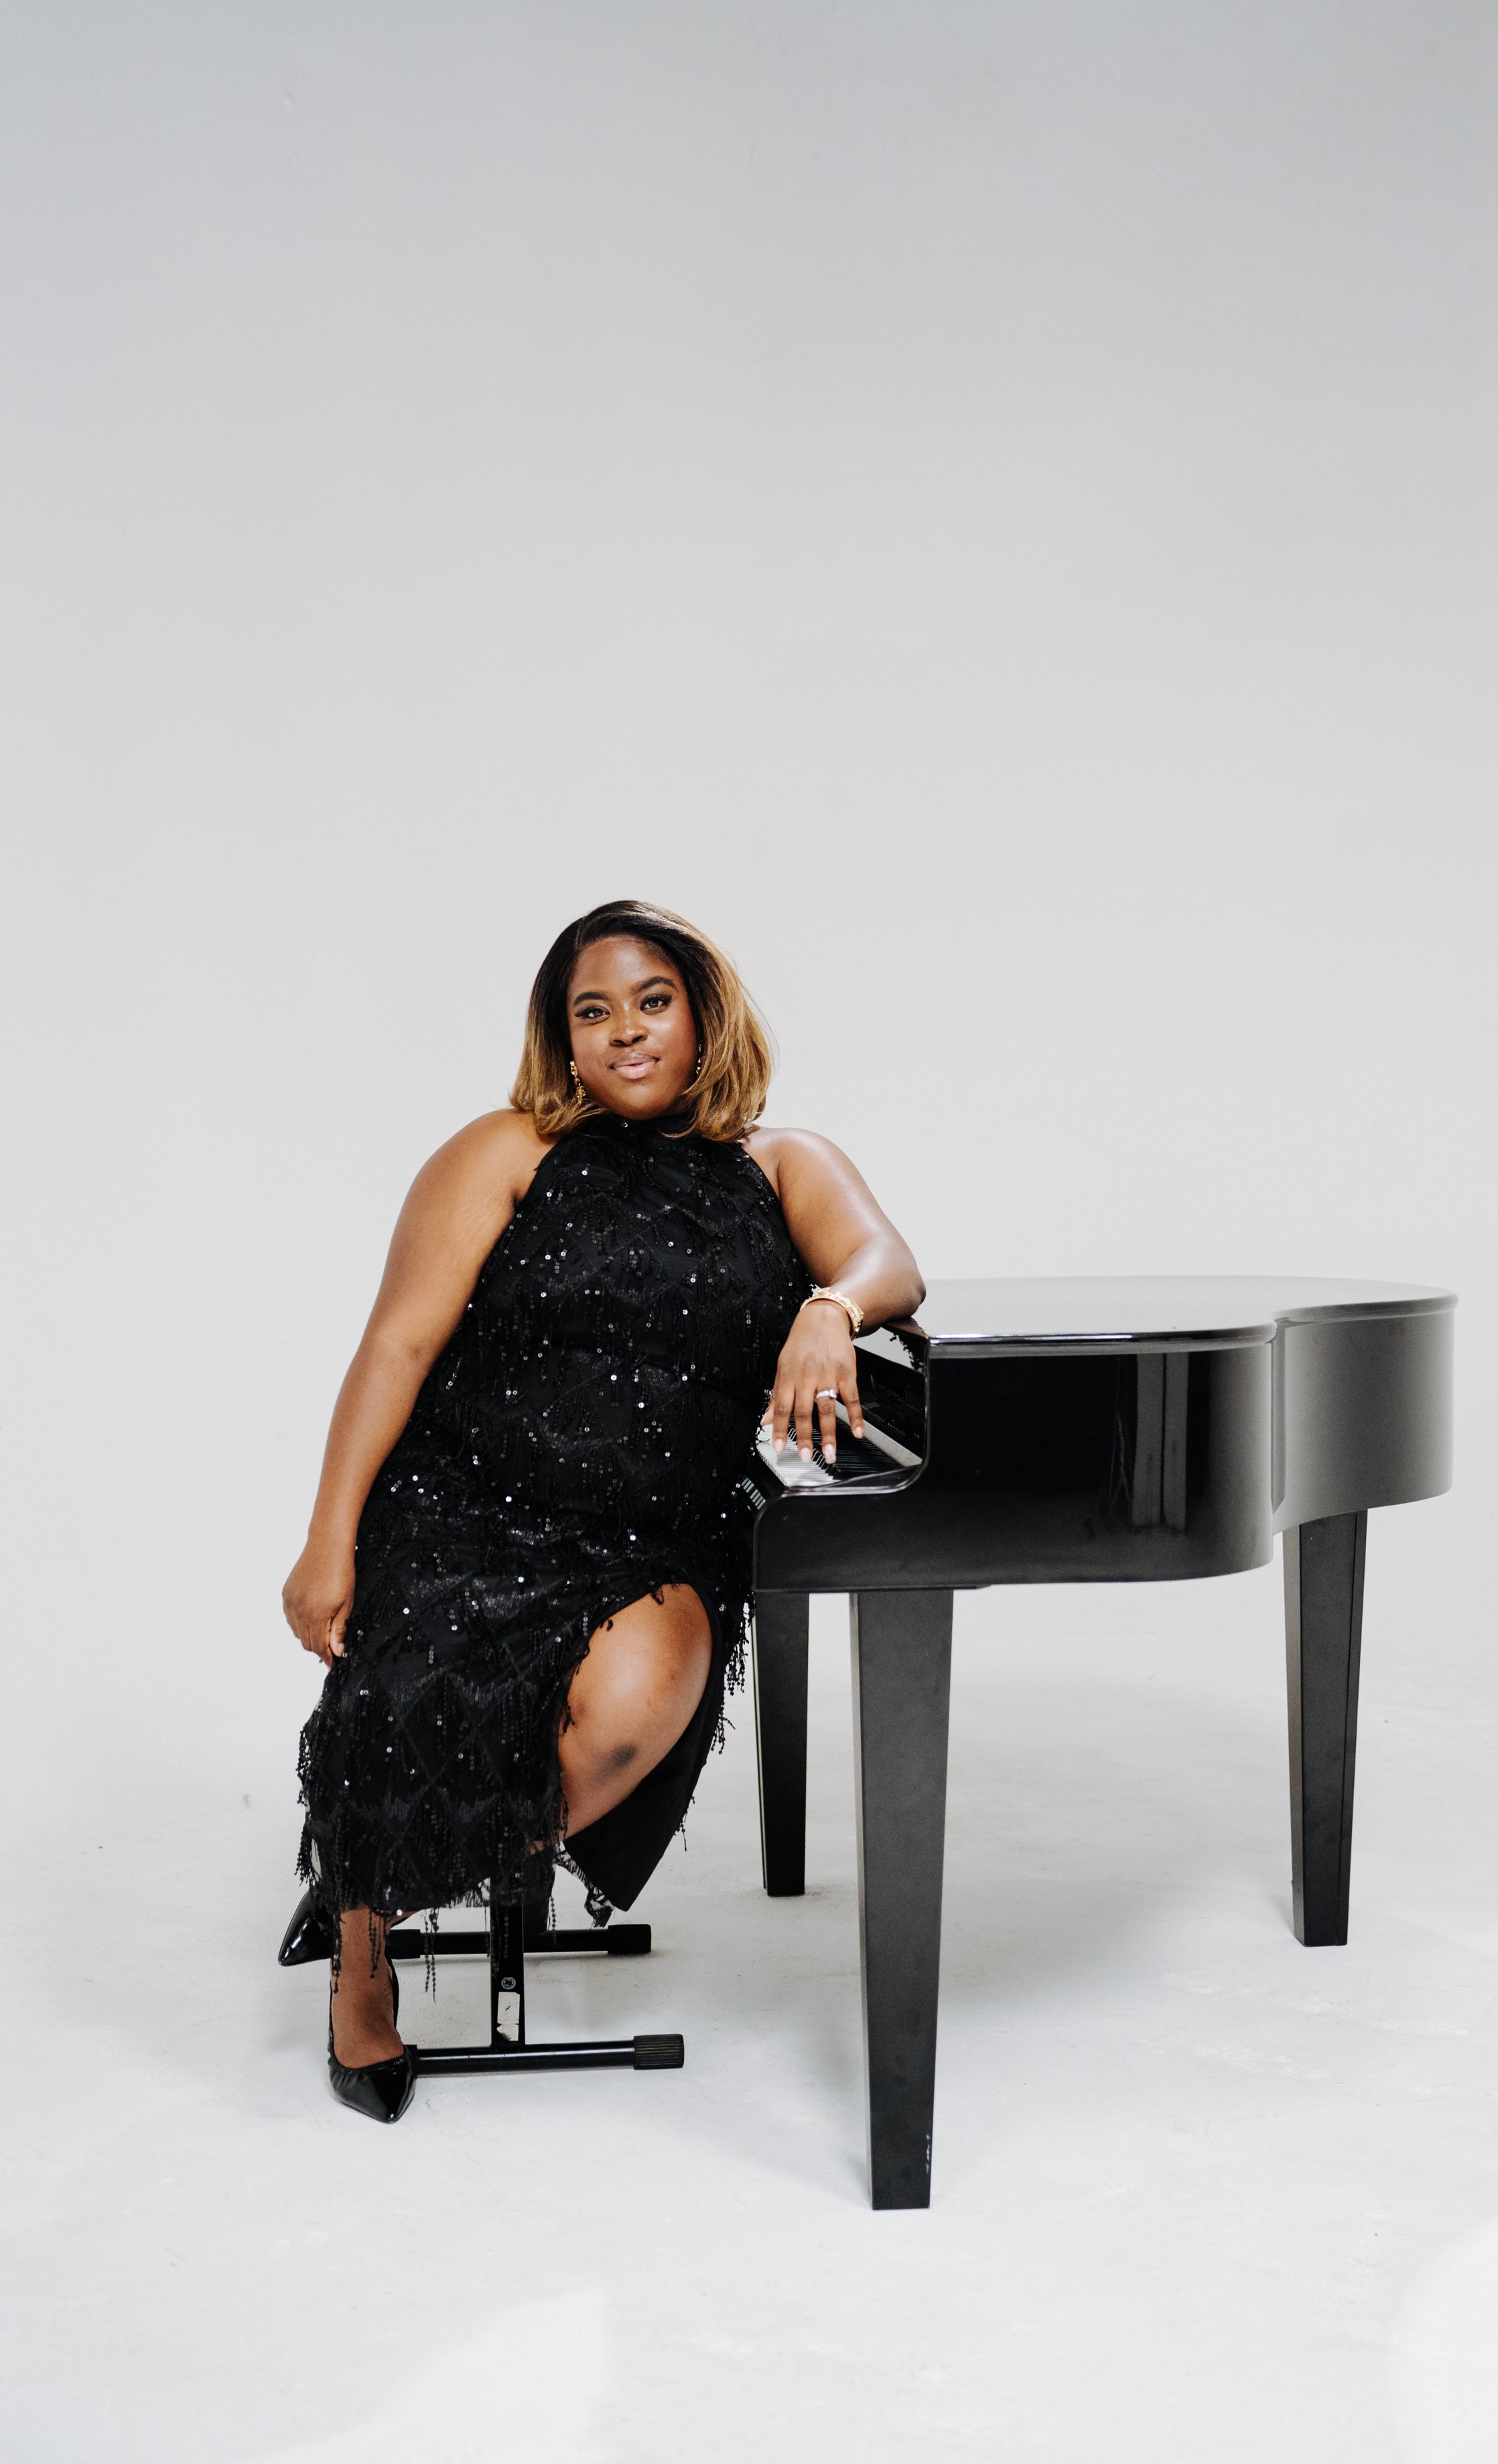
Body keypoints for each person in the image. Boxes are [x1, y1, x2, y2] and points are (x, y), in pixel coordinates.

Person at [281, 897, 924, 2120]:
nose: (625, 1031)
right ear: (563, 1040)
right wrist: (327, 1539)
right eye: (593, 1012)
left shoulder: (783, 1164)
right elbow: (396, 1347)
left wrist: (826, 1308)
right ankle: (362, 1941)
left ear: (701, 1016)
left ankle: (377, 1868)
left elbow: (888, 1261)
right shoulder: (505, 1149)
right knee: (414, 1696)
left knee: (630, 1717)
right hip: (462, 1502)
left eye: (651, 1002)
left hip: (653, 1536)